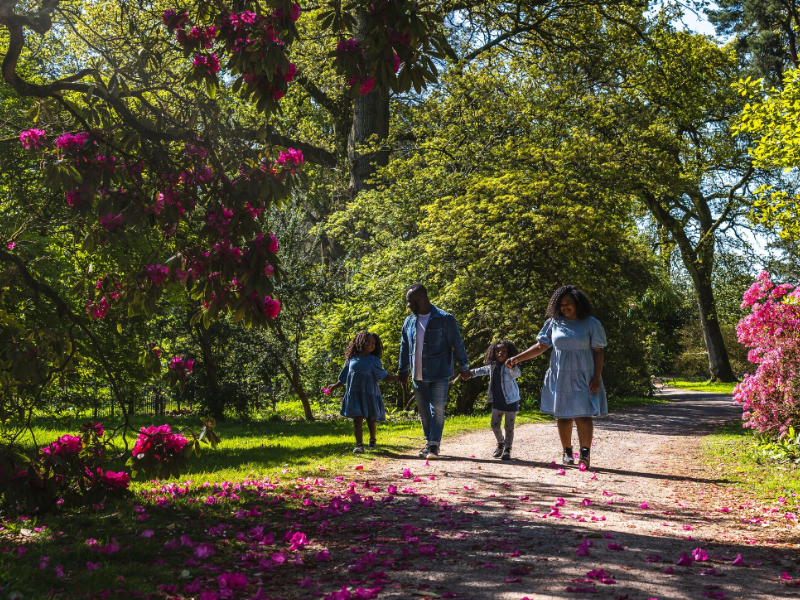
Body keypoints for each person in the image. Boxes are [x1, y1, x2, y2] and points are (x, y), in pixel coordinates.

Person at [506, 285, 607, 468]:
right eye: (561, 305)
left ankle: (585, 452)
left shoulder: (591, 323)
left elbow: (598, 352)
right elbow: (539, 347)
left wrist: (597, 377)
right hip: (560, 375)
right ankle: (567, 450)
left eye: (568, 303)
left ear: (577, 303)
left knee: (584, 415)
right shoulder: (554, 323)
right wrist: (516, 358)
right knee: (564, 416)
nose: (564, 307)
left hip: (584, 375)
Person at [399, 284, 471, 459]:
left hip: (439, 373)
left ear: (419, 299)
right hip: (418, 374)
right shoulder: (409, 321)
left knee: (437, 409)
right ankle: (428, 442)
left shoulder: (445, 319)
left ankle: (433, 445)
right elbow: (404, 346)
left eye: (409, 302)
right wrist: (402, 369)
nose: (407, 306)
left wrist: (464, 367)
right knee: (424, 411)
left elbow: (458, 345)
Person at [326, 331, 399, 454]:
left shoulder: (374, 360)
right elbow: (343, 377)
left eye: (373, 343)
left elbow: (383, 376)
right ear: (359, 341)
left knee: (371, 418)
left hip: (370, 393)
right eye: (368, 341)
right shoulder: (351, 359)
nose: (371, 344)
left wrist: (398, 378)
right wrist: (334, 386)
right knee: (357, 419)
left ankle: (372, 440)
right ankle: (359, 445)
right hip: (354, 393)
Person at [469, 340, 521, 461]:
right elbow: (481, 370)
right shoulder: (492, 366)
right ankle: (501, 443)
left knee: (509, 427)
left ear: (509, 353)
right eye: (498, 351)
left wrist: (512, 367)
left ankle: (507, 449)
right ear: (493, 353)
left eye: (504, 351)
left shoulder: (510, 366)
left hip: (511, 401)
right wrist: (469, 373)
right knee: (494, 425)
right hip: (498, 402)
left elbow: (517, 374)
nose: (500, 353)